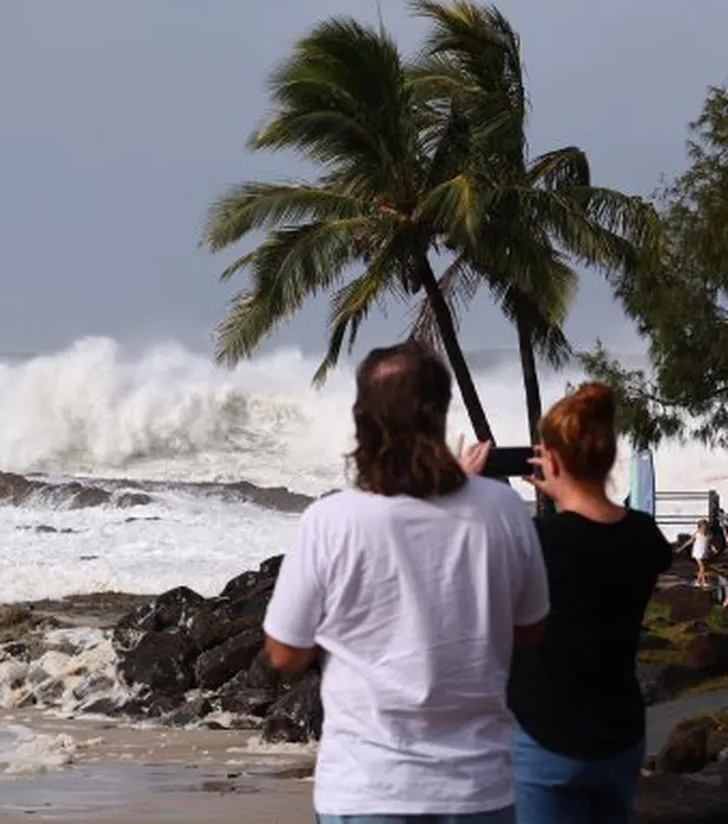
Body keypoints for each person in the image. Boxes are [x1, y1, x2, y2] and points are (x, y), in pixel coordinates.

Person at [262, 340, 550, 824]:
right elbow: (530, 630)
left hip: (367, 788)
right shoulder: (501, 510)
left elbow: (285, 654)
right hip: (477, 789)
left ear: (362, 420)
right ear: (440, 415)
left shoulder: (331, 520)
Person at [497, 382, 672, 823]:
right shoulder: (645, 537)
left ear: (551, 459)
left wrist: (456, 489)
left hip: (547, 738)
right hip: (620, 735)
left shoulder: (538, 541)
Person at [691, 519, 711, 588]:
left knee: (703, 568)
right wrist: (681, 547)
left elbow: (709, 543)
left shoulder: (708, 534)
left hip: (704, 552)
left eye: (705, 526)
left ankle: (702, 582)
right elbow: (690, 541)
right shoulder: (697, 533)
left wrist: (713, 548)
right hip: (697, 553)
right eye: (703, 526)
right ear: (700, 527)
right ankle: (698, 581)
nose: (704, 528)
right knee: (702, 567)